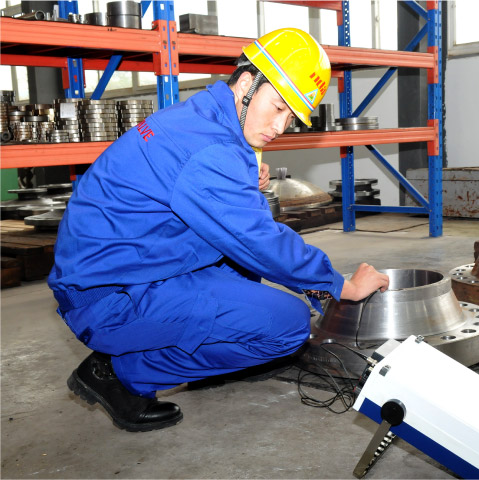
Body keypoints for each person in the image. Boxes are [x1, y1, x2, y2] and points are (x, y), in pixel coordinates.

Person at [48, 28, 390, 432]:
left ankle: (187, 340)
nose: (280, 126)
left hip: (119, 267)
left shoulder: (202, 116)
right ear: (246, 84)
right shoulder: (209, 151)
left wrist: (242, 176)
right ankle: (121, 373)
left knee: (242, 268)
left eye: (291, 117)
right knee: (288, 326)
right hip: (108, 298)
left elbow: (207, 191)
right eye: (278, 107)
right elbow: (259, 239)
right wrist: (338, 285)